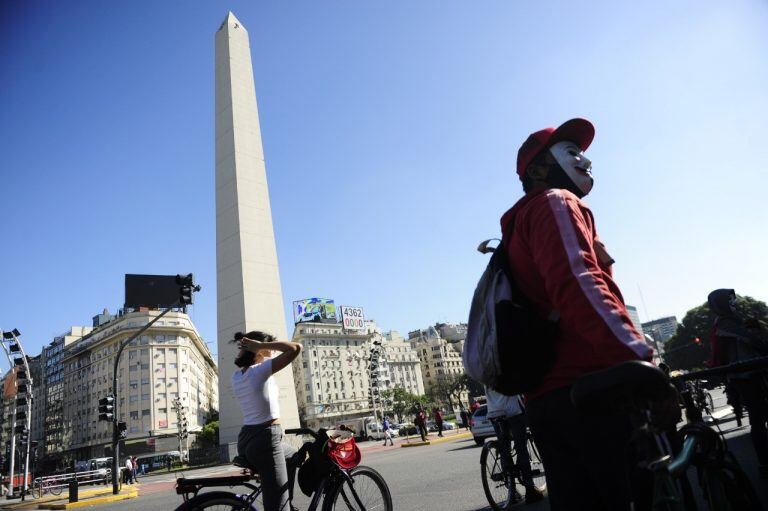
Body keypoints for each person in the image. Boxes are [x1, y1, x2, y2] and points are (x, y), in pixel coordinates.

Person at [502, 118, 654, 510]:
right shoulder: (556, 202)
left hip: (547, 399)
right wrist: (636, 357)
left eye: (583, 152)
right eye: (570, 152)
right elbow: (579, 284)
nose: (585, 160)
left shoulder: (523, 220)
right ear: (537, 169)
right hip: (590, 393)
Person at [231, 331, 302, 511]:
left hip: (247, 438)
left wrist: (261, 346)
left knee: (294, 456)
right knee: (278, 508)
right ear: (259, 350)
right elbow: (295, 348)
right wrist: (261, 345)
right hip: (266, 440)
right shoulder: (259, 371)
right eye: (270, 345)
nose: (274, 348)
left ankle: (283, 497)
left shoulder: (237, 376)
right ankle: (282, 503)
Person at [708, 288, 768, 477]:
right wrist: (753, 333)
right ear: (720, 303)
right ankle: (764, 463)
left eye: (734, 300)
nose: (734, 303)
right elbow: (752, 341)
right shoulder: (725, 323)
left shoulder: (734, 321)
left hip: (755, 374)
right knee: (758, 420)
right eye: (730, 300)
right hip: (746, 378)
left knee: (759, 417)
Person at [486, 386, 544, 504]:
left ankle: (511, 491)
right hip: (512, 410)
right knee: (521, 448)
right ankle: (529, 489)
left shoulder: (483, 367)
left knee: (504, 449)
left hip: (494, 411)